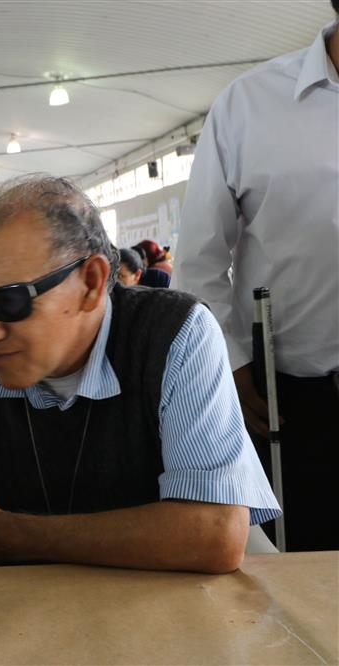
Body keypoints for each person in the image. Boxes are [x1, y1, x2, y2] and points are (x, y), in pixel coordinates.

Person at [0, 175, 280, 574]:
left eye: (10, 301)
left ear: (92, 283)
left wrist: (13, 535)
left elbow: (214, 534)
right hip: (18, 619)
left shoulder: (174, 337)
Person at [175, 11, 339, 551]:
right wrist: (233, 364)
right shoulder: (250, 105)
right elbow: (199, 260)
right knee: (308, 569)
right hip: (295, 399)